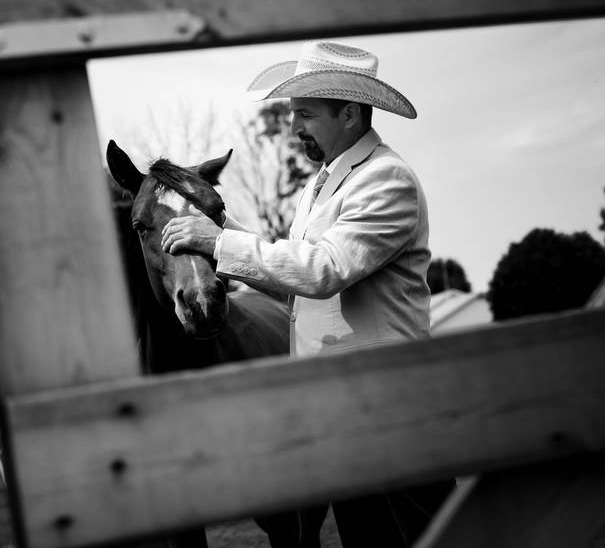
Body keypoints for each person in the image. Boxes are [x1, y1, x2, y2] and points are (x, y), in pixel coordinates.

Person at [160, 40, 454, 547]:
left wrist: (221, 242)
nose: (294, 128)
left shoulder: (386, 180)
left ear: (348, 113)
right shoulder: (321, 184)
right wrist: (220, 225)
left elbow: (325, 269)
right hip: (344, 414)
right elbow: (292, 280)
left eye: (305, 114)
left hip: (390, 413)